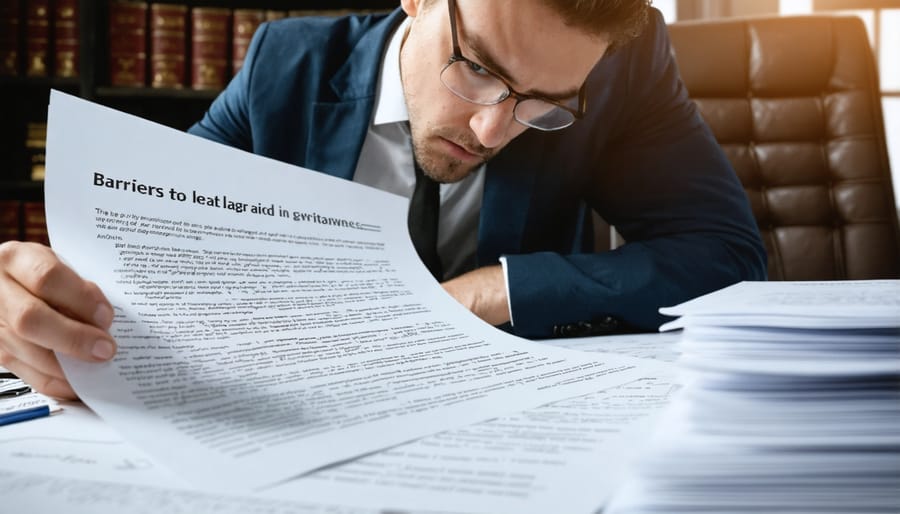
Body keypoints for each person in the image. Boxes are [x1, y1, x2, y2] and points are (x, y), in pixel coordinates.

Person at [0, 0, 766, 400]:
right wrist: (43, 307)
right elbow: (139, 244)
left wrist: (488, 292)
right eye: (477, 68)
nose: (493, 126)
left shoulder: (623, 69)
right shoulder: (285, 67)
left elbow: (728, 259)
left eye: (544, 102)